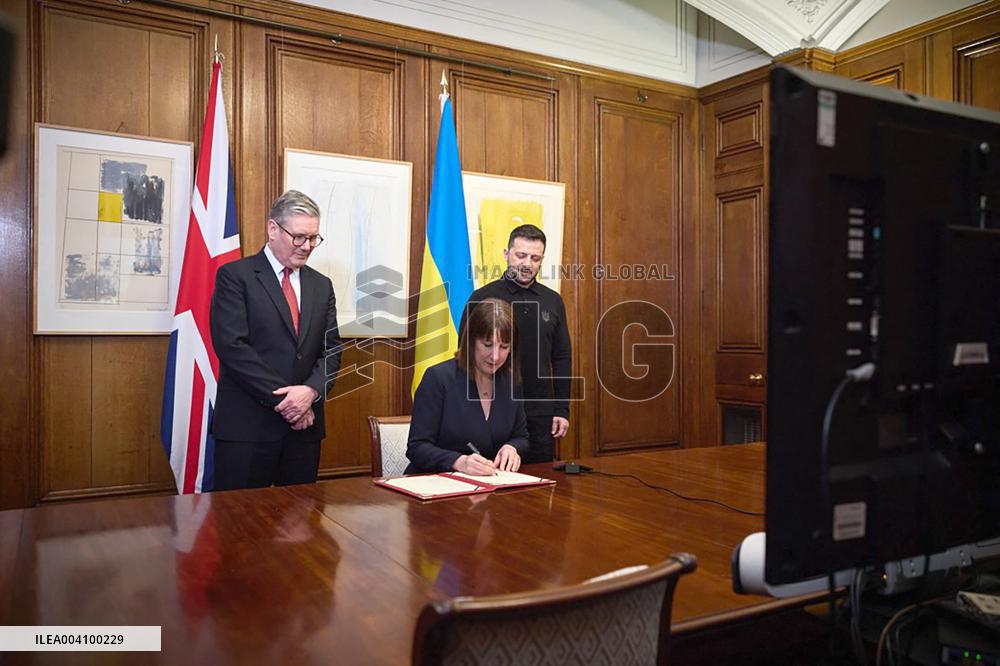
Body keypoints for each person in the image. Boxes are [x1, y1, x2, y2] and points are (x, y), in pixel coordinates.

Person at [209, 190, 342, 490]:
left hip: (303, 432)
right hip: (247, 430)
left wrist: (310, 391)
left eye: (313, 238)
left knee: (300, 528)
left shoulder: (322, 285)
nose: (306, 246)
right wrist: (289, 402)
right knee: (239, 529)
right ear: (272, 229)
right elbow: (232, 347)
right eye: (298, 237)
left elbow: (331, 349)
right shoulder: (235, 276)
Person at [460, 224, 571, 464]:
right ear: (506, 253)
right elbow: (465, 356)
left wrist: (562, 409)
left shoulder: (553, 301)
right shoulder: (481, 298)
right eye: (521, 255)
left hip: (539, 414)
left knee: (539, 488)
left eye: (535, 258)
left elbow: (561, 358)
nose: (527, 263)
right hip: (493, 410)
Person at [405, 298, 528, 475]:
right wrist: (458, 461)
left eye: (504, 347)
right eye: (487, 345)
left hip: (488, 488)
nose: (495, 356)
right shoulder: (438, 378)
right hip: (435, 485)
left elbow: (521, 436)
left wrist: (512, 447)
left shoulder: (510, 381)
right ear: (471, 341)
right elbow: (417, 448)